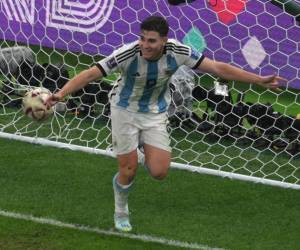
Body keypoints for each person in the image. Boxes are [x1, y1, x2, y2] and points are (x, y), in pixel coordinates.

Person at [45, 16, 285, 232]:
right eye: (142, 39)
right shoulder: (128, 54)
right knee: (128, 170)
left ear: (164, 41)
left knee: (159, 172)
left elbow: (217, 68)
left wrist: (258, 80)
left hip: (155, 113)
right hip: (124, 110)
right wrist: (60, 94)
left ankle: (133, 154)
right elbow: (90, 74)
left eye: (151, 41)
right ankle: (121, 211)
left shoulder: (178, 51)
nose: (145, 45)